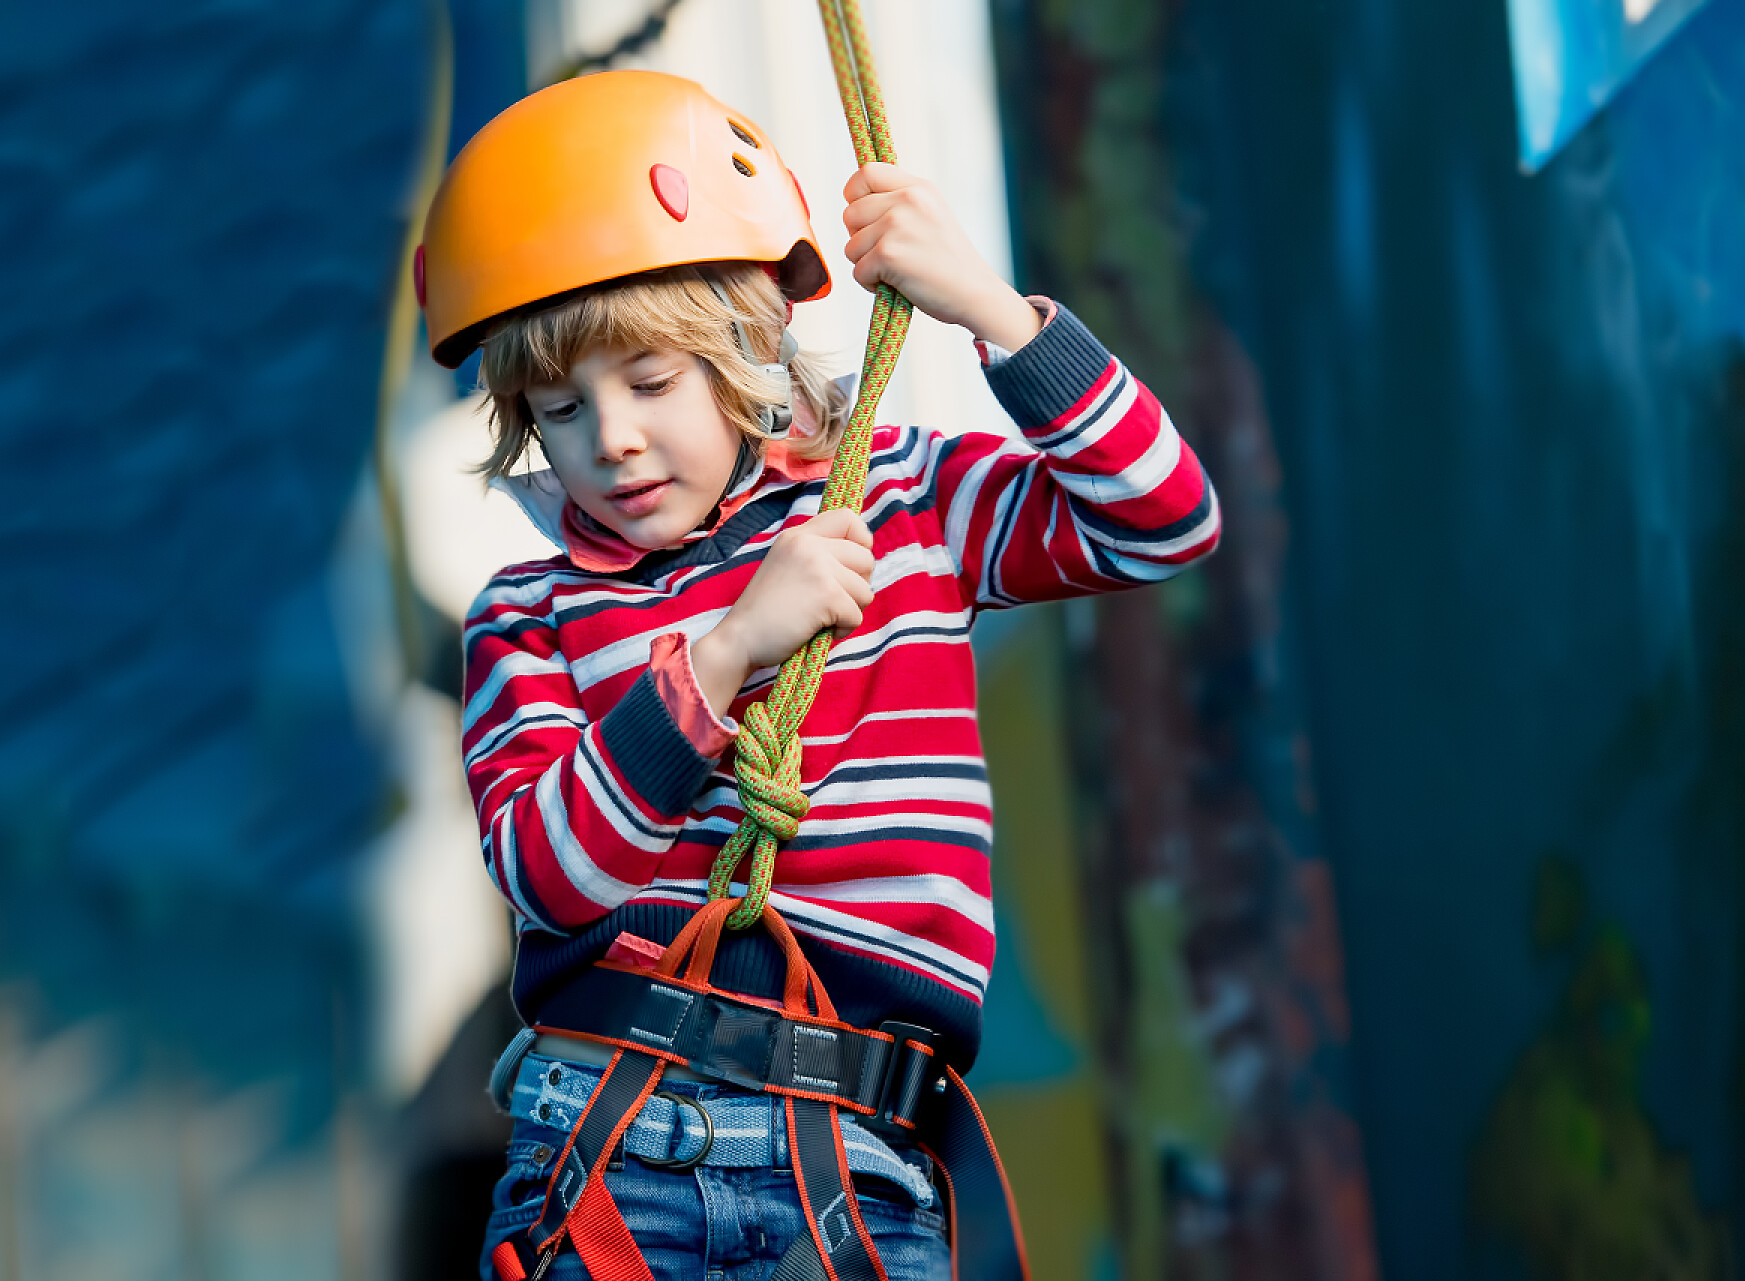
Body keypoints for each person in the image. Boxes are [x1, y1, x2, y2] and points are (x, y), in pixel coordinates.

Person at [424, 70, 1219, 1280]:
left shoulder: (898, 502)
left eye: (650, 384)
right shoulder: (527, 614)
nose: (614, 439)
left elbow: (1162, 519)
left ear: (746, 346)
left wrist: (991, 311)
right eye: (560, 410)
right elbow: (549, 874)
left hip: (861, 1161)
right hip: (612, 1149)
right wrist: (730, 648)